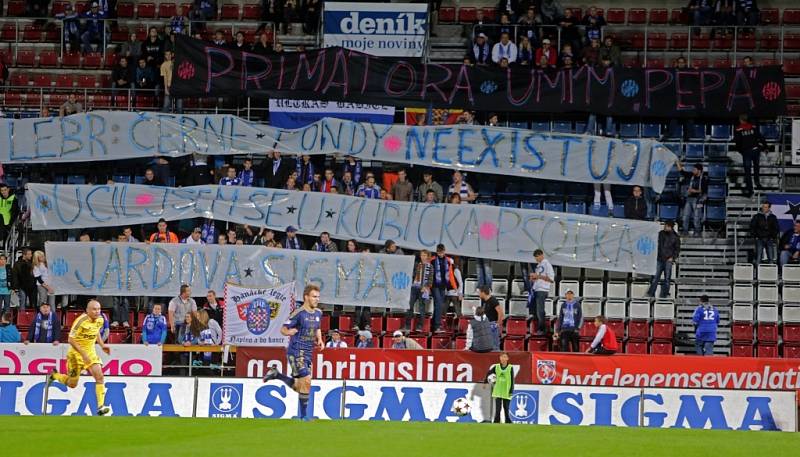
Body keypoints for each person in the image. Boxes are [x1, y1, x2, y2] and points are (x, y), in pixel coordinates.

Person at [262, 284, 324, 420]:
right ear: (306, 297)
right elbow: (283, 329)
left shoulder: (319, 313)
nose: (317, 299)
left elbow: (318, 327)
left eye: (318, 297)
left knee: (300, 385)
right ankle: (303, 417)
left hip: (308, 352)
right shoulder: (298, 313)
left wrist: (320, 339)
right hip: (296, 351)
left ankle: (277, 375)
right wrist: (289, 331)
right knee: (307, 381)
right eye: (314, 296)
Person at [46, 300, 112, 415]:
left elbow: (96, 331)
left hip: (90, 353)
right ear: (87, 310)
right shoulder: (80, 321)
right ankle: (55, 375)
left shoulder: (100, 319)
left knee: (99, 377)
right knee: (72, 384)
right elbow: (71, 339)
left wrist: (102, 345)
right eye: (94, 309)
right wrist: (83, 354)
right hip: (75, 355)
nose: (97, 312)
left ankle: (100, 407)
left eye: (99, 309)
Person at [734, 113, 768, 197]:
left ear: (740, 120)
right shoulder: (753, 127)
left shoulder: (738, 129)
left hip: (746, 152)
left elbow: (737, 142)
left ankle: (751, 190)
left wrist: (740, 150)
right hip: (756, 150)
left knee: (748, 172)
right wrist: (765, 146)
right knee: (756, 167)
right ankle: (757, 183)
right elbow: (760, 137)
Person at [647, 221, 680, 298]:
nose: (664, 227)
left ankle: (665, 294)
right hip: (659, 258)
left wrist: (673, 257)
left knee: (667, 278)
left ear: (670, 227)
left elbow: (677, 249)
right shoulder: (661, 233)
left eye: (666, 226)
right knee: (655, 277)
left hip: (668, 259)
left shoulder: (675, 237)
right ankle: (651, 293)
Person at [431, 244, 457, 333]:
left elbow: (450, 275)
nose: (441, 254)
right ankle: (437, 325)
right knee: (439, 304)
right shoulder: (432, 260)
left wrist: (454, 286)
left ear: (444, 251)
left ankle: (433, 325)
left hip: (443, 286)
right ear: (437, 251)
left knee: (438, 305)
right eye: (439, 252)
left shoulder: (448, 261)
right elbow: (429, 274)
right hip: (434, 286)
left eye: (442, 252)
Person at [529, 249, 554, 335]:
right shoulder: (538, 266)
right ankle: (541, 328)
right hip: (536, 289)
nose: (536, 259)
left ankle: (542, 329)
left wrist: (538, 276)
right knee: (536, 311)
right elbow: (539, 278)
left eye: (537, 257)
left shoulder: (547, 264)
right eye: (535, 258)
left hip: (543, 289)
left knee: (540, 310)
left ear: (542, 255)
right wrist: (534, 278)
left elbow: (551, 279)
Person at [407, 249, 434, 331]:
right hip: (414, 287)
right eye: (422, 255)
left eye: (425, 255)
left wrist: (426, 287)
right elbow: (412, 274)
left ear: (428, 256)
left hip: (423, 289)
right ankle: (408, 324)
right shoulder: (417, 264)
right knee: (409, 305)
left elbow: (430, 279)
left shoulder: (430, 266)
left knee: (421, 307)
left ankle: (420, 325)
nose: (423, 257)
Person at [679, 162, 708, 236]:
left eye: (694, 169)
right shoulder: (691, 176)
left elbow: (703, 191)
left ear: (699, 171)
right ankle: (685, 231)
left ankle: (697, 232)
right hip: (689, 199)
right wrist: (677, 163)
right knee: (685, 216)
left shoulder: (703, 179)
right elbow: (682, 172)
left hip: (697, 200)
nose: (693, 171)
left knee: (696, 217)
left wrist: (694, 190)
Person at [485, 352, 515, 423]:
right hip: (498, 390)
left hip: (506, 391)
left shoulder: (510, 367)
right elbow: (489, 373)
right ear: (499, 358)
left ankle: (508, 421)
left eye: (505, 357)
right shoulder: (496, 367)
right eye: (501, 357)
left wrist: (511, 391)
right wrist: (485, 382)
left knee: (506, 408)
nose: (503, 358)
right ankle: (496, 421)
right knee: (498, 408)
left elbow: (512, 380)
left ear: (507, 358)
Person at [0, 184, 20, 248]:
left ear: (8, 190)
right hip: (0, 221)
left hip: (8, 223)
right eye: (2, 190)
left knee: (6, 238)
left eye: (5, 190)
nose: (3, 192)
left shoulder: (13, 199)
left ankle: (4, 249)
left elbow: (15, 212)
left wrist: (10, 223)